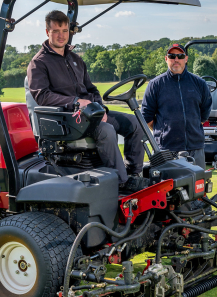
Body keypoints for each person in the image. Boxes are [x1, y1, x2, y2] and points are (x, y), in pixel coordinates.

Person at [27, 10, 146, 191]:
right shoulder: (39, 63)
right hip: (66, 120)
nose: (61, 35)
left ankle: (133, 174)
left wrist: (102, 109)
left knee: (135, 123)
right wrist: (75, 101)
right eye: (56, 31)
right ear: (47, 32)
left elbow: (91, 89)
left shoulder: (75, 59)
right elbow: (42, 95)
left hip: (91, 115)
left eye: (65, 30)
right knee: (106, 131)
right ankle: (121, 183)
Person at [141, 44, 212, 169]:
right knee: (165, 187)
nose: (176, 59)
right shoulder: (155, 85)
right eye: (172, 56)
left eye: (180, 56)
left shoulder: (199, 83)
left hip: (195, 147)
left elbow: (204, 113)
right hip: (165, 149)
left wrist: (192, 126)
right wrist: (164, 131)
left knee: (198, 185)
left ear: (186, 58)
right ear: (166, 59)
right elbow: (147, 117)